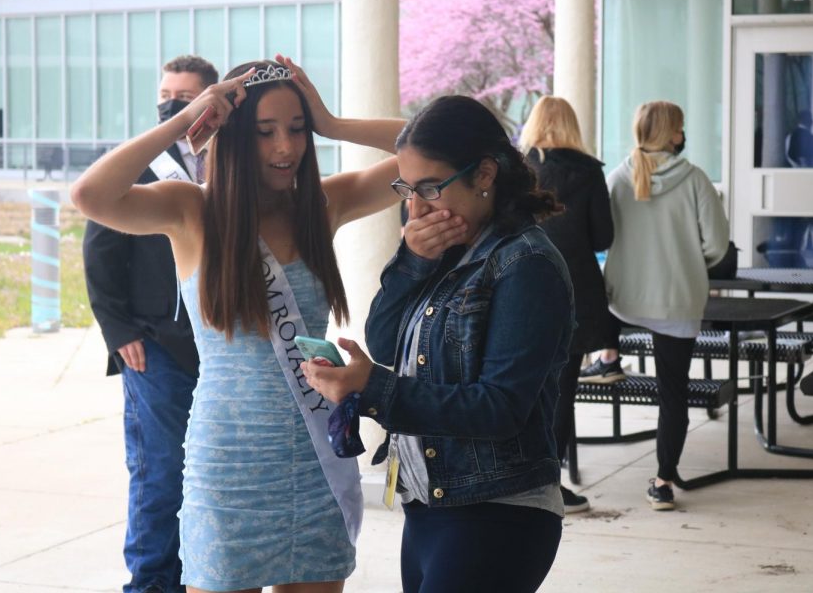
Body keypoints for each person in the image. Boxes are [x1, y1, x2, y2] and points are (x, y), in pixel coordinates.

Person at [73, 56, 404, 593]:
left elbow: (434, 155)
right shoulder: (190, 210)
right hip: (228, 464)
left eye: (297, 130)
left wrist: (334, 123)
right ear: (230, 133)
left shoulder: (323, 204)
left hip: (314, 461)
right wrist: (186, 120)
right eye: (266, 132)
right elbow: (90, 195)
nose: (285, 148)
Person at [302, 95, 573, 593]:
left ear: (485, 174)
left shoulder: (525, 264)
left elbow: (501, 407)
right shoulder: (444, 245)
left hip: (499, 511)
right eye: (407, 187)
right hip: (430, 504)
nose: (417, 206)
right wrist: (411, 261)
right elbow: (383, 340)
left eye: (430, 187)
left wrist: (376, 389)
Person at [82, 54, 218, 593]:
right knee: (161, 474)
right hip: (154, 346)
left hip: (221, 348)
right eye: (166, 96)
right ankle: (153, 583)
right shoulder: (140, 165)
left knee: (209, 475)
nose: (172, 105)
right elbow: (99, 249)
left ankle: (197, 578)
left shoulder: (231, 164)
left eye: (185, 99)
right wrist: (119, 332)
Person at [601, 101, 729, 510]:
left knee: (606, 327)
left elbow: (602, 237)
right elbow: (717, 244)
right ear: (673, 134)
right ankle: (662, 482)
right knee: (672, 394)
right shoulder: (694, 179)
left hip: (625, 300)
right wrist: (691, 263)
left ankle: (608, 357)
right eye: (681, 127)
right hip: (678, 300)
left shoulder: (618, 178)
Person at [520, 95, 615, 514]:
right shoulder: (589, 171)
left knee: (524, 386)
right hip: (575, 289)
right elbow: (603, 238)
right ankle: (549, 484)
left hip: (521, 286)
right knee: (562, 389)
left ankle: (523, 477)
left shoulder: (519, 169)